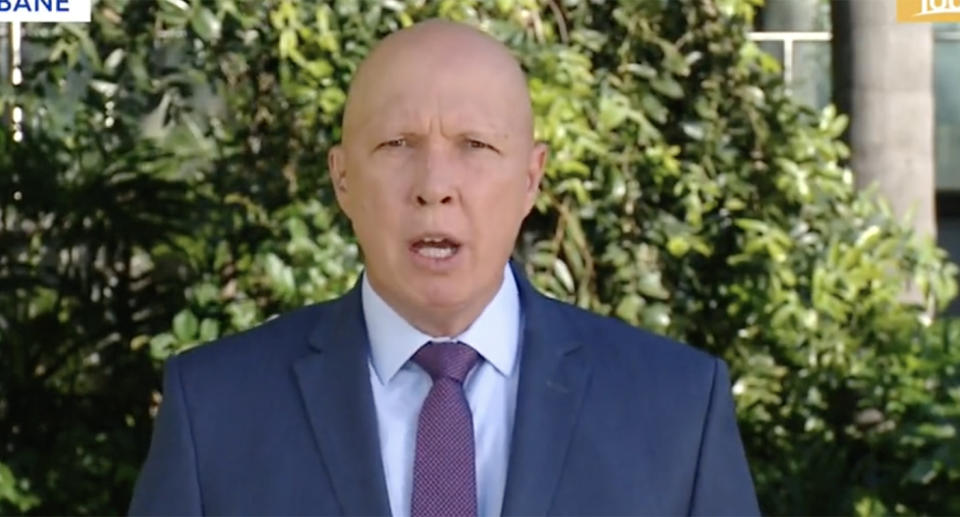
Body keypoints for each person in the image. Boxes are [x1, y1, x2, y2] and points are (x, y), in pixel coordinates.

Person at [129, 19, 760, 517]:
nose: (435, 186)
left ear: (532, 179)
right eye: (397, 145)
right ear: (343, 178)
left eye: (476, 147)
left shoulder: (675, 409)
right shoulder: (216, 408)